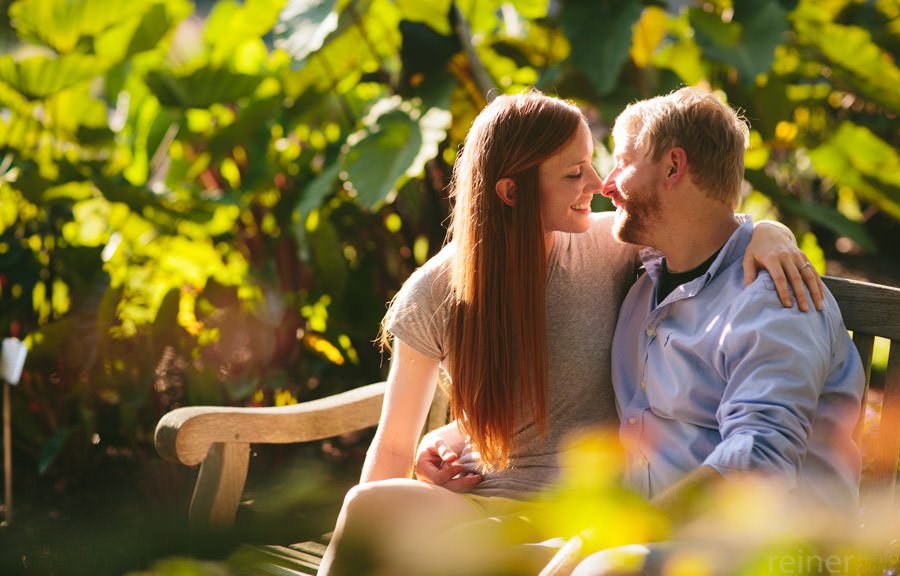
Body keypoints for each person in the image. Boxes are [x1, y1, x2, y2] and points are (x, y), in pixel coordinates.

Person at [317, 90, 822, 576]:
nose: (600, 182)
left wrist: (768, 232)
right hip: (481, 500)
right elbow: (393, 447)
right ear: (511, 192)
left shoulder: (611, 246)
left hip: (578, 513)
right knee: (368, 504)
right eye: (575, 172)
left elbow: (702, 225)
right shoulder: (435, 292)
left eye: (594, 162)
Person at [570, 87, 864, 575]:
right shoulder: (646, 280)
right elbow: (528, 228)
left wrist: (631, 532)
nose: (607, 184)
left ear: (672, 167)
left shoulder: (774, 297)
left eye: (621, 162)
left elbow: (759, 460)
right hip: (656, 540)